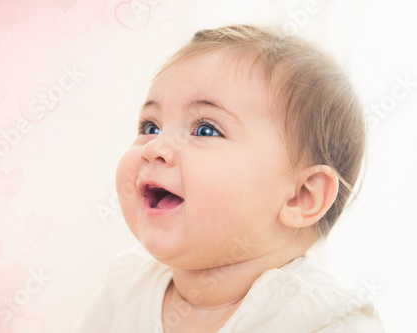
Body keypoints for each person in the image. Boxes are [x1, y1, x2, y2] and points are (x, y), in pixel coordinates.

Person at [76, 25, 385, 332]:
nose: (155, 147)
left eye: (205, 129)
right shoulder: (126, 285)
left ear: (300, 196)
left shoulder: (326, 320)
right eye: (150, 127)